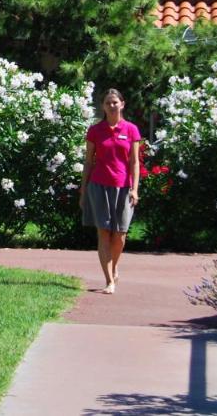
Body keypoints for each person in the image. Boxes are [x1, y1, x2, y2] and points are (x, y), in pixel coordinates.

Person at [79, 88, 141, 294]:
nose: (112, 105)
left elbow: (134, 162)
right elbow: (88, 162)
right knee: (103, 233)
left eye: (115, 102)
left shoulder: (131, 129)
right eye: (108, 102)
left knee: (120, 234)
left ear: (122, 104)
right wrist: (83, 191)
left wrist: (135, 189)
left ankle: (114, 267)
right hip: (98, 186)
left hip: (124, 187)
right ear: (103, 106)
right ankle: (109, 280)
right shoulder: (95, 130)